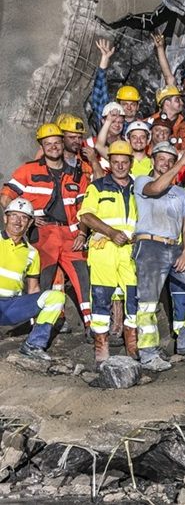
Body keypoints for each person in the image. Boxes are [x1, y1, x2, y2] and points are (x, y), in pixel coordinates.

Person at [2, 123, 92, 333]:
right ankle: (43, 324)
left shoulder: (76, 174)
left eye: (56, 142)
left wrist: (82, 232)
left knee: (83, 278)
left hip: (71, 234)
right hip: (43, 233)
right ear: (42, 146)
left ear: (62, 144)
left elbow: (85, 208)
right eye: (48, 143)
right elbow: (6, 197)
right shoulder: (28, 170)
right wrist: (27, 219)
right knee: (43, 279)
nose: (53, 147)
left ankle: (92, 327)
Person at [133, 144, 185, 371]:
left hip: (175, 247)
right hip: (150, 245)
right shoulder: (141, 181)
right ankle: (148, 354)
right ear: (153, 161)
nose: (166, 163)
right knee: (148, 302)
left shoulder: (181, 193)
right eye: (162, 159)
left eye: (170, 160)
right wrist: (180, 163)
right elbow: (156, 188)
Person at [77, 140, 138, 362]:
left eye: (124, 162)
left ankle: (132, 345)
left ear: (131, 163)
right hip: (104, 249)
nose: (120, 166)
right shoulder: (98, 187)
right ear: (109, 162)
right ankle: (101, 348)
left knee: (133, 298)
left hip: (130, 252)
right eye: (116, 162)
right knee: (101, 299)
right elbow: (86, 215)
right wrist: (111, 232)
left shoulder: (137, 188)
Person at [0, 199, 66, 361]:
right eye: (14, 215)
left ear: (30, 223)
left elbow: (33, 288)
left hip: (10, 307)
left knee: (56, 297)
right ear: (5, 218)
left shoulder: (32, 253)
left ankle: (33, 345)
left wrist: (35, 318)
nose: (18, 221)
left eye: (24, 218)